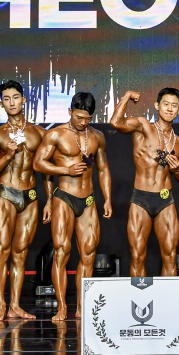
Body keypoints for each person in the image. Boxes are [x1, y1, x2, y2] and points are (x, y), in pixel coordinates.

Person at [33, 91, 113, 321]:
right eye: (79, 117)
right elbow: (38, 163)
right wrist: (65, 170)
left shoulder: (97, 136)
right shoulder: (56, 134)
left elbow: (103, 169)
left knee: (88, 254)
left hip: (88, 200)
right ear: (70, 111)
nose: (83, 122)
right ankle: (61, 307)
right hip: (64, 197)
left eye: (87, 118)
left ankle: (81, 307)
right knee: (62, 251)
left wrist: (107, 198)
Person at [0, 80, 49, 322]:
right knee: (2, 250)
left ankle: (15, 306)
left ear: (23, 100)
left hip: (30, 196)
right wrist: (8, 155)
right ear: (1, 104)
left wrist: (50, 200)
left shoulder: (40, 133)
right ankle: (0, 306)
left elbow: (46, 170)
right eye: (6, 99)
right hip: (7, 194)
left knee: (20, 253)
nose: (12, 102)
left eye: (15, 97)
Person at [112, 88, 179, 277]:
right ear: (157, 105)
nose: (170, 109)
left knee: (170, 256)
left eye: (174, 106)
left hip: (166, 200)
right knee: (137, 256)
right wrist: (127, 96)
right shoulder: (143, 127)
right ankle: (138, 296)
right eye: (166, 104)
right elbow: (116, 123)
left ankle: (168, 297)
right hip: (141, 198)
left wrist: (177, 170)